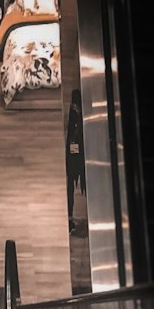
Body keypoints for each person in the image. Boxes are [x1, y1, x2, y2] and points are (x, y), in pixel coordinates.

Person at [66, 88, 86, 232]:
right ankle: (70, 218)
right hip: (76, 156)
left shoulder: (75, 115)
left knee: (73, 187)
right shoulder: (76, 116)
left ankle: (71, 218)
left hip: (76, 156)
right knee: (73, 187)